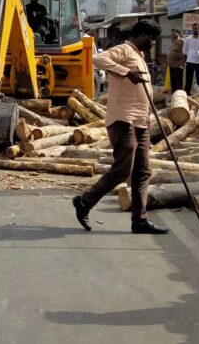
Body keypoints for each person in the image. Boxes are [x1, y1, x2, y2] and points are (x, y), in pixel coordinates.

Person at [72, 20, 167, 235]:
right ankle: (84, 202)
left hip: (141, 121)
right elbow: (97, 58)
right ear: (141, 35)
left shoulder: (140, 57)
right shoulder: (124, 50)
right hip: (123, 120)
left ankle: (140, 221)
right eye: (151, 38)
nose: (152, 43)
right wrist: (126, 72)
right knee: (124, 168)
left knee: (143, 171)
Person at [182, 23, 199, 95]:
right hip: (190, 62)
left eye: (196, 28)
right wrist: (191, 54)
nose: (195, 30)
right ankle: (187, 95)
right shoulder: (188, 39)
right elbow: (184, 50)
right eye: (193, 29)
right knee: (188, 80)